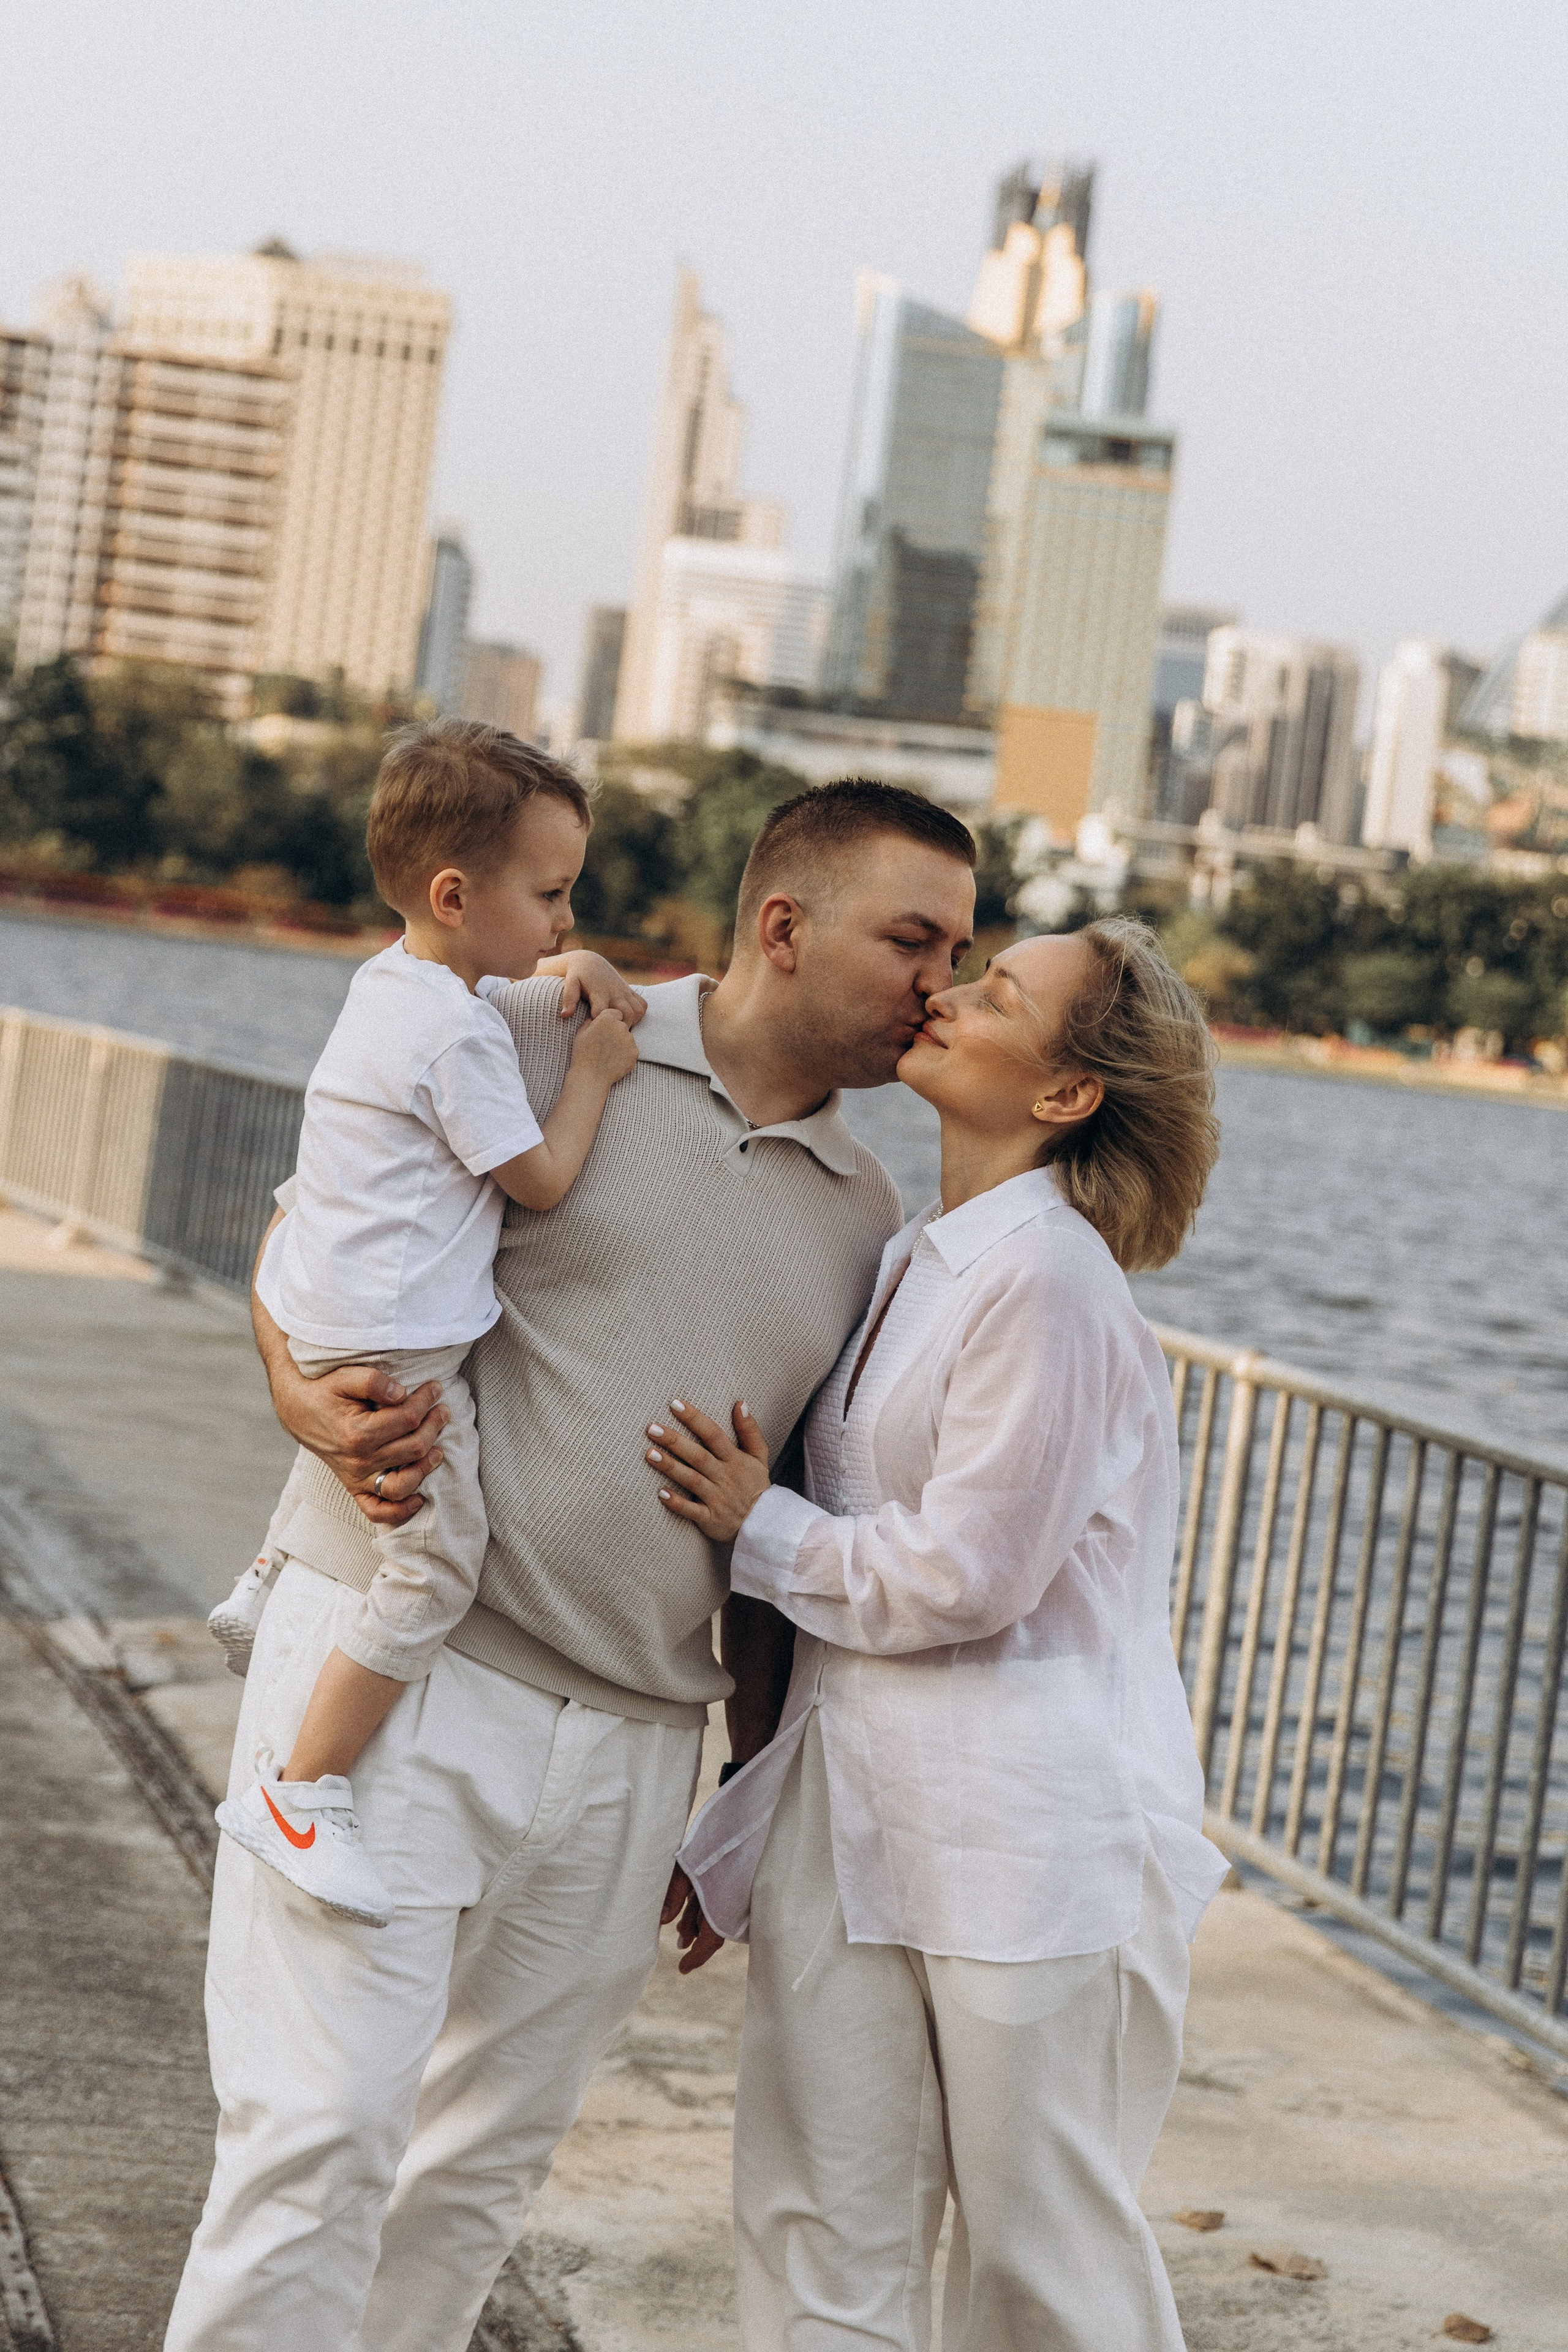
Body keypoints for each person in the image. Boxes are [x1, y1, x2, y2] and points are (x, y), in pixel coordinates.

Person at [164, 778, 978, 2352]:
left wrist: (739, 1795)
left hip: (625, 1752)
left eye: (960, 945)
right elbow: (311, 1226)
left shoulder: (876, 1222)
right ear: (783, 926)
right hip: (399, 1676)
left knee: (472, 2183)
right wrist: (290, 1383)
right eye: (912, 939)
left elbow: (782, 1525)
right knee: (315, 2141)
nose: (940, 981)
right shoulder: (553, 1030)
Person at [656, 918, 1230, 2352]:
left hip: (1032, 1843)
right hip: (857, 1824)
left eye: (996, 994)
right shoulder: (914, 1252)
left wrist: (756, 1525)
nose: (947, 994)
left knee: (1043, 2267)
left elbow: (967, 1577)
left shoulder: (1051, 1284)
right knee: (813, 2225)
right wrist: (746, 1819)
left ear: (1062, 1093)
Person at [206, 720, 643, 1927]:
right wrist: (595, 1071)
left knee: (356, 1441)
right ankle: (301, 1791)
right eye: (552, 896)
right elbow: (537, 1181)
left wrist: (564, 971)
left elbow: (504, 973)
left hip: (323, 1294)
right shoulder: (456, 1033)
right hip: (396, 1341)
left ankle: (262, 1573)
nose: (564, 921)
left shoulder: (392, 982)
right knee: (437, 1566)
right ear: (457, 893)